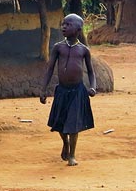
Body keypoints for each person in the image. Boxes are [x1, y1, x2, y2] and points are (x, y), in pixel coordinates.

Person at [40, 13, 97, 166]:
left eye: (68, 25)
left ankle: (72, 154)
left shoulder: (83, 50)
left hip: (78, 91)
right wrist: (43, 89)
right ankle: (65, 142)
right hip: (62, 91)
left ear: (78, 30)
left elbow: (91, 72)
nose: (64, 27)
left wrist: (92, 87)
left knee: (73, 123)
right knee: (60, 122)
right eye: (63, 24)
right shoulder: (58, 47)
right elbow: (50, 69)